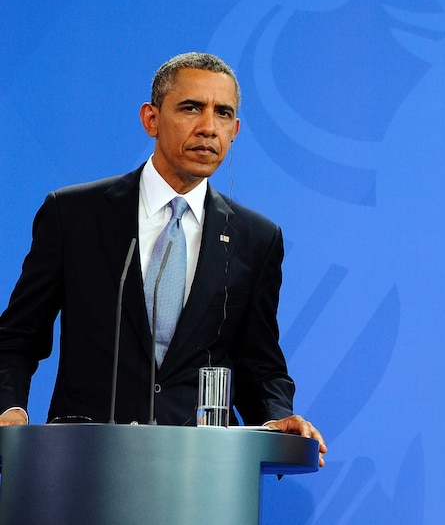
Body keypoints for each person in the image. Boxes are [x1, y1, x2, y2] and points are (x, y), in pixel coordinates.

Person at [0, 52, 326, 465]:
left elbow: (259, 363)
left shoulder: (255, 238)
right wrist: (9, 408)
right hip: (82, 465)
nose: (208, 127)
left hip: (200, 471)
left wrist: (277, 418)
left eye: (223, 114)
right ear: (151, 119)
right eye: (191, 108)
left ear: (236, 129)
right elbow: (16, 337)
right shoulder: (74, 215)